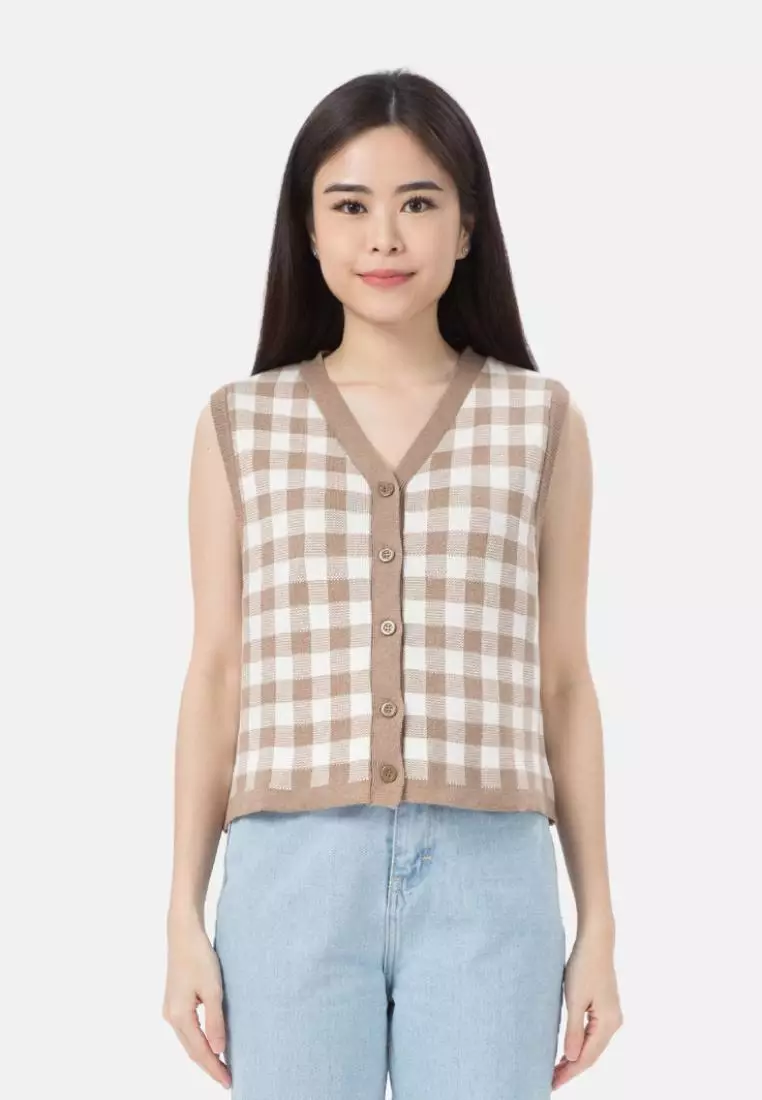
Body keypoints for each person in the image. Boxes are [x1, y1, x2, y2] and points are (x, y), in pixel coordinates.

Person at [162, 67, 623, 1098]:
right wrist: (183, 915)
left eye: (418, 203)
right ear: (308, 229)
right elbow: (217, 674)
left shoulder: (540, 421)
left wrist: (597, 924)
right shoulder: (241, 425)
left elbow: (564, 682)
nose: (384, 238)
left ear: (467, 227)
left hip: (492, 879)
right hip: (288, 881)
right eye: (349, 206)